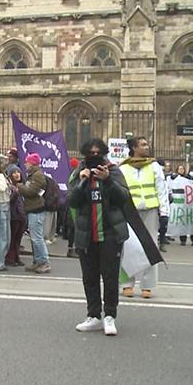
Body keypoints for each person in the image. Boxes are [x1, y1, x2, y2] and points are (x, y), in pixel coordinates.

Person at [68, 138, 131, 337]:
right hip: (87, 234)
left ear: (104, 154)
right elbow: (71, 201)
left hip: (110, 234)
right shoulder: (79, 173)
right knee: (90, 277)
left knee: (110, 277)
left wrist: (108, 180)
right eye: (90, 154)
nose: (95, 157)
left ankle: (110, 316)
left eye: (98, 153)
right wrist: (82, 181)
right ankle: (93, 315)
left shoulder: (113, 171)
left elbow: (124, 198)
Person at [119, 136, 169, 299]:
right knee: (127, 246)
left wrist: (164, 212)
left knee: (151, 246)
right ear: (134, 148)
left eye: (147, 144)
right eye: (143, 145)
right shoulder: (123, 168)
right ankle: (127, 283)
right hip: (129, 211)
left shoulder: (154, 166)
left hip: (150, 210)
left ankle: (147, 285)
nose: (147, 147)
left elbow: (161, 189)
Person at [17, 153, 51, 274]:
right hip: (32, 209)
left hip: (36, 210)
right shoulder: (33, 175)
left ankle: (44, 262)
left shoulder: (37, 176)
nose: (25, 164)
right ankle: (37, 261)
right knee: (34, 238)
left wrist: (19, 186)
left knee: (37, 238)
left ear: (33, 164)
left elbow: (31, 191)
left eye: (27, 162)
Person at [173, 164, 193, 246]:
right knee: (182, 222)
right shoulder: (174, 178)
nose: (181, 170)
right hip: (181, 204)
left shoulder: (189, 178)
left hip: (191, 204)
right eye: (179, 169)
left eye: (182, 169)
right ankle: (183, 240)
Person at [6, 166, 26, 267]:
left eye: (18, 172)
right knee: (12, 237)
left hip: (22, 215)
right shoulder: (9, 186)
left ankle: (16, 256)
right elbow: (10, 200)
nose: (17, 174)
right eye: (14, 172)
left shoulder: (23, 186)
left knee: (18, 237)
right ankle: (10, 257)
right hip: (14, 215)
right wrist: (15, 192)